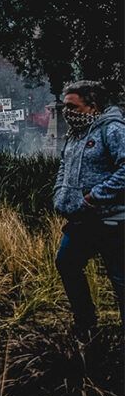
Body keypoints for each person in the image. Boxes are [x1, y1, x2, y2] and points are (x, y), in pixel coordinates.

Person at [52, 80, 124, 337]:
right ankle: (86, 323)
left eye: (73, 106)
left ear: (92, 106)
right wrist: (60, 193)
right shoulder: (75, 134)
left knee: (119, 278)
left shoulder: (113, 130)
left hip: (111, 220)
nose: (66, 112)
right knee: (66, 263)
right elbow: (64, 166)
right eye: (64, 106)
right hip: (81, 220)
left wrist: (94, 197)